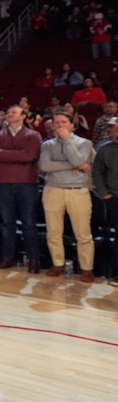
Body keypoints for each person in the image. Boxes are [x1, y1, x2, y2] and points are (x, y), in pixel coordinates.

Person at [39, 112, 95, 282]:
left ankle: (87, 268)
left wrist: (67, 141)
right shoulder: (47, 145)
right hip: (53, 190)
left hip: (77, 190)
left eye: (64, 122)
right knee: (53, 232)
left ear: (72, 125)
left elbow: (79, 160)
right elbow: (45, 166)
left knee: (83, 233)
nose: (60, 125)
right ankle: (58, 263)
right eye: (57, 123)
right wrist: (73, 166)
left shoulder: (85, 143)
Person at [0, 105, 43, 272]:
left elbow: (29, 156)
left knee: (28, 223)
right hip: (3, 183)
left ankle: (33, 259)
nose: (9, 114)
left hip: (27, 183)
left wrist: (2, 154)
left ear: (23, 116)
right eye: (9, 111)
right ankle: (7, 256)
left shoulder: (33, 135)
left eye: (14, 112)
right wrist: (16, 155)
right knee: (7, 223)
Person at [91, 116, 118, 284]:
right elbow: (97, 173)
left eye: (112, 126)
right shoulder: (105, 149)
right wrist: (104, 194)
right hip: (115, 198)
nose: (109, 129)